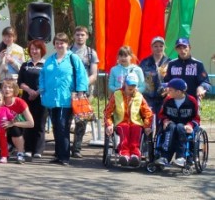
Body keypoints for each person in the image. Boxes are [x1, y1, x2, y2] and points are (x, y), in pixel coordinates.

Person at [39, 32, 89, 166]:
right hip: (51, 98)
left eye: (62, 43)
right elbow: (42, 75)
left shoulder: (73, 58)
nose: (59, 45)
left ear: (67, 44)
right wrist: (42, 89)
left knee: (62, 127)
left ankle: (65, 156)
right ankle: (58, 154)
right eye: (57, 43)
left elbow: (81, 75)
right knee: (56, 127)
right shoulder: (50, 59)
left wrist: (80, 91)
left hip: (66, 98)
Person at [103, 74, 153, 167]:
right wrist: (109, 124)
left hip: (136, 122)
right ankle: (124, 154)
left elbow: (148, 113)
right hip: (121, 122)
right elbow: (107, 112)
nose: (131, 87)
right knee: (124, 128)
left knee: (136, 129)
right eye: (129, 84)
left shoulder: (139, 96)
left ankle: (135, 155)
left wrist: (147, 126)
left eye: (134, 85)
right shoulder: (116, 94)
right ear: (124, 83)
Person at [155, 78, 201, 169]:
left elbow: (196, 118)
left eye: (170, 90)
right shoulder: (167, 100)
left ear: (178, 92)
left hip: (185, 126)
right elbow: (161, 114)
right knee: (171, 127)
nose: (168, 91)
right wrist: (165, 121)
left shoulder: (191, 101)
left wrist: (190, 125)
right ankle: (164, 157)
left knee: (180, 127)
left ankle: (181, 157)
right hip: (171, 124)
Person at [69, 26, 99, 158]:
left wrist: (81, 86)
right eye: (77, 35)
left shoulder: (91, 53)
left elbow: (94, 74)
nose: (80, 37)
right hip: (68, 91)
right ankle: (64, 147)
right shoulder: (68, 51)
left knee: (81, 121)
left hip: (84, 92)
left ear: (87, 36)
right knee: (66, 120)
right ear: (74, 36)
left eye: (82, 35)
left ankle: (76, 148)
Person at [17, 39, 47, 160]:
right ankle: (28, 149)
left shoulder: (46, 64)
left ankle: (38, 150)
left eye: (37, 48)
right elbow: (20, 82)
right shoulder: (25, 65)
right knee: (28, 123)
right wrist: (29, 91)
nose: (34, 51)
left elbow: (47, 82)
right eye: (32, 49)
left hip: (41, 98)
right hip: (27, 98)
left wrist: (37, 92)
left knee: (40, 124)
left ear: (42, 50)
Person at [0, 79, 33, 164]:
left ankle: (20, 153)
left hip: (19, 129)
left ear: (14, 89)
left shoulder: (20, 102)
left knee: (14, 129)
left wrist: (12, 123)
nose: (7, 90)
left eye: (10, 87)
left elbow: (31, 123)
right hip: (2, 129)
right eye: (5, 87)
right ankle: (6, 148)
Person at [164, 38, 211, 102]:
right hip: (174, 102)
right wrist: (166, 87)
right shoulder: (172, 64)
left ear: (189, 47)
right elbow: (167, 81)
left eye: (184, 47)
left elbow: (205, 82)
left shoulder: (198, 64)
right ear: (176, 49)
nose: (182, 50)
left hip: (192, 101)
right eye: (179, 48)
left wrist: (201, 88)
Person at [139, 36, 170, 115]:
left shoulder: (170, 62)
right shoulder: (144, 62)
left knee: (161, 122)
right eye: (155, 46)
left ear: (164, 47)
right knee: (148, 121)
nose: (158, 48)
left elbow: (173, 79)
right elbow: (139, 78)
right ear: (151, 47)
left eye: (161, 46)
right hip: (147, 98)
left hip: (164, 98)